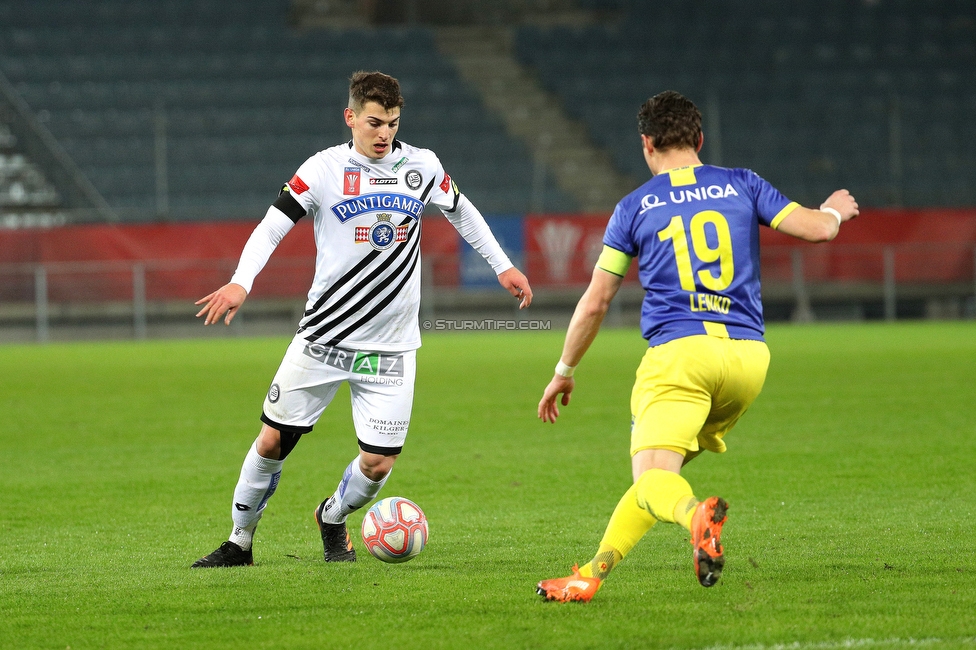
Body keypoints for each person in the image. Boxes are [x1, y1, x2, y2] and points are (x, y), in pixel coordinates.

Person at [191, 70, 533, 568]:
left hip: (390, 348)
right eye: (374, 122)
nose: (384, 133)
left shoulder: (423, 166)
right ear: (350, 117)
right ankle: (239, 542)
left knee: (378, 463)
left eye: (392, 123)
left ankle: (331, 517)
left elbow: (463, 212)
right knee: (271, 440)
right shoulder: (323, 169)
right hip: (323, 338)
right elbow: (271, 227)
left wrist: (502, 266)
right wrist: (242, 280)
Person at [534, 90, 858, 602]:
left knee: (658, 486)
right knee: (654, 482)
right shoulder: (742, 184)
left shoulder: (634, 207)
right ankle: (590, 575)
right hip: (748, 360)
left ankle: (696, 518)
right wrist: (835, 211)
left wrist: (564, 368)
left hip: (681, 359)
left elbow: (595, 302)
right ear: (699, 139)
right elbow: (818, 230)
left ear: (646, 145)